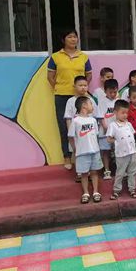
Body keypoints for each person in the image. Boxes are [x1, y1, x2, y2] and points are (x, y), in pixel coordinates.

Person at [47, 29, 92, 170]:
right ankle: (67, 157)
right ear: (63, 39)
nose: (73, 39)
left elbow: (88, 75)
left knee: (83, 125)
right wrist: (60, 87)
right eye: (69, 37)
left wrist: (82, 88)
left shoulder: (83, 57)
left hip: (80, 97)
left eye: (75, 37)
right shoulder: (55, 57)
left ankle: (80, 156)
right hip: (61, 96)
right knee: (64, 126)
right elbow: (50, 77)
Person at [63, 75, 100, 182]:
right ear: (74, 86)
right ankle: (80, 172)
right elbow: (68, 118)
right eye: (80, 85)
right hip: (77, 132)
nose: (83, 87)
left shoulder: (90, 100)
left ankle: (91, 172)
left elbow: (95, 116)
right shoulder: (70, 101)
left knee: (91, 151)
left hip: (90, 132)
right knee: (76, 151)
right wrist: (71, 132)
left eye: (85, 85)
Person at [67, 96, 102, 204]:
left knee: (95, 172)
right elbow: (71, 136)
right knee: (84, 174)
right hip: (82, 152)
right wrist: (75, 149)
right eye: (90, 103)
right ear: (84, 106)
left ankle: (96, 192)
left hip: (94, 151)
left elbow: (96, 135)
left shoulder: (93, 120)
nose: (92, 106)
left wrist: (97, 147)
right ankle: (86, 193)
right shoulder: (75, 121)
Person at [106, 100, 136, 199]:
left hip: (132, 152)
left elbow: (132, 135)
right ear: (115, 112)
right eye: (122, 113)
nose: (125, 115)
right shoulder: (113, 125)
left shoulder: (128, 124)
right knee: (120, 172)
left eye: (126, 113)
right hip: (121, 154)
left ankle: (132, 189)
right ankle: (116, 190)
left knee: (132, 171)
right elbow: (108, 139)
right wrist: (117, 141)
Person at [97, 78, 118, 180]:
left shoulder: (118, 101)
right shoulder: (102, 102)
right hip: (105, 132)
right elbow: (100, 117)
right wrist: (106, 128)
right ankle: (106, 170)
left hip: (117, 132)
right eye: (110, 92)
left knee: (117, 151)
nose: (113, 94)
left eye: (115, 92)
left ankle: (119, 170)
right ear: (105, 91)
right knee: (105, 151)